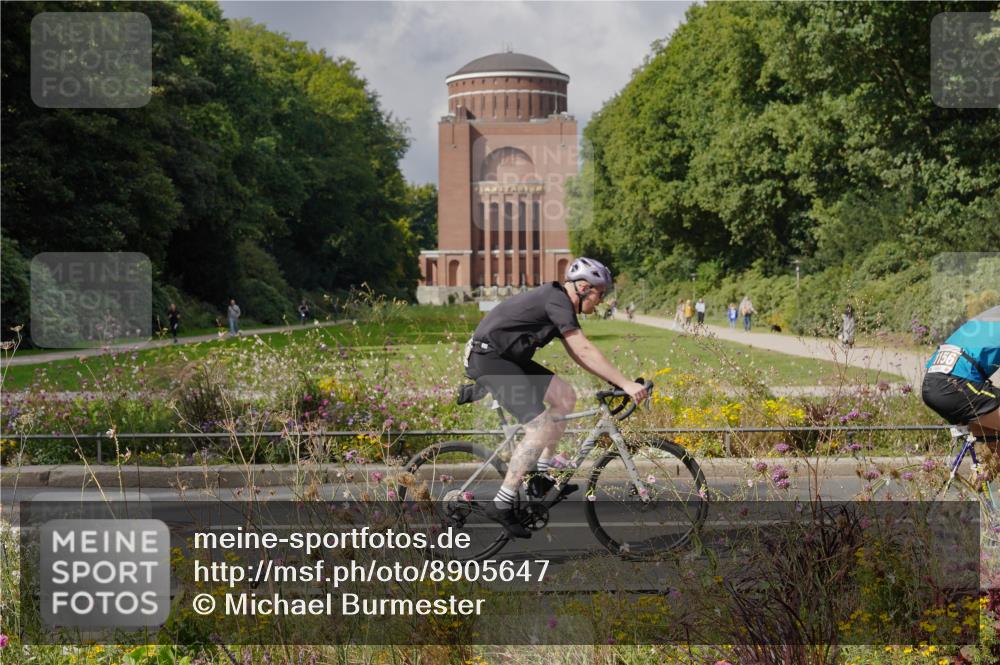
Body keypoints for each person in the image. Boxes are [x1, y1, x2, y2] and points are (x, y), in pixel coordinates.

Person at [463, 257, 650, 538]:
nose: (600, 301)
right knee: (537, 427)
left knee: (565, 396)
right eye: (600, 294)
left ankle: (539, 475)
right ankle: (502, 503)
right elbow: (583, 349)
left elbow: (577, 352)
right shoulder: (557, 299)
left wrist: (617, 382)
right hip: (489, 358)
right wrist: (624, 383)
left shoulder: (558, 302)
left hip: (507, 358)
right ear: (585, 287)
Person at [922, 305, 1000, 446]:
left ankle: (987, 467)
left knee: (991, 436)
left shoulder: (989, 316)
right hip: (957, 385)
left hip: (933, 382)